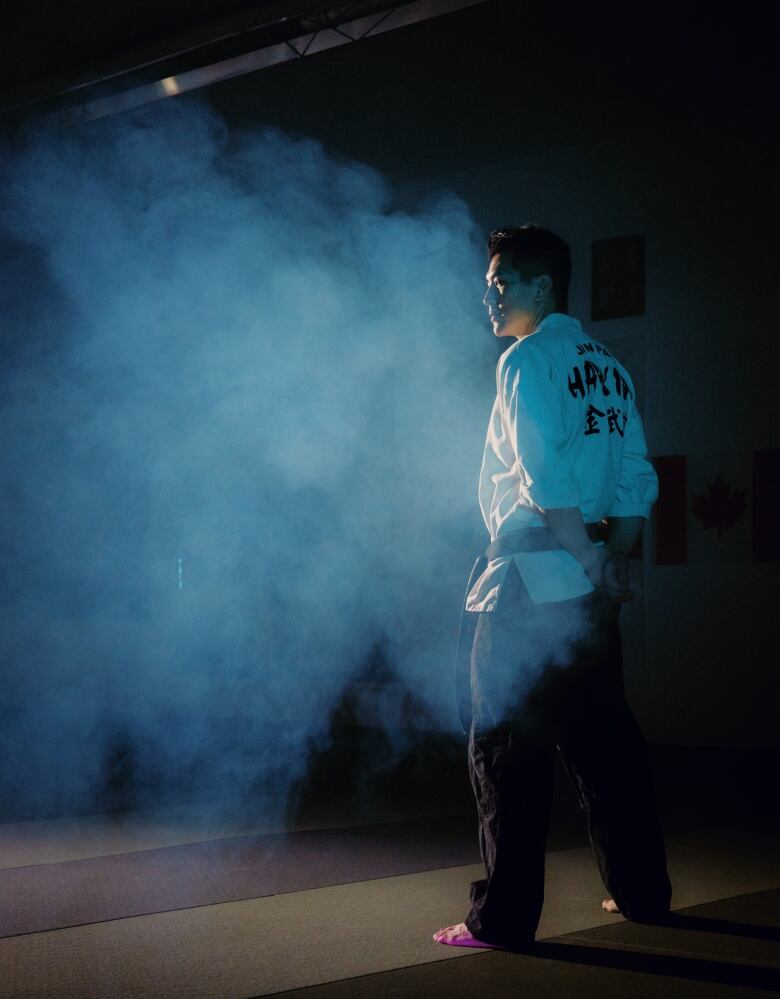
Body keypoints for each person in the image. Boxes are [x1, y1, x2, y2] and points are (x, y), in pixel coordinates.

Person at [433, 224, 672, 951]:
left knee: (505, 748)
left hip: (531, 583)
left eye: (501, 280)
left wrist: (590, 562)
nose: (489, 293)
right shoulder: (609, 365)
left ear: (543, 286)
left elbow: (541, 481)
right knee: (607, 745)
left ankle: (501, 919)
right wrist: (611, 561)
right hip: (587, 581)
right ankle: (643, 893)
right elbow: (637, 478)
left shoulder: (526, 359)